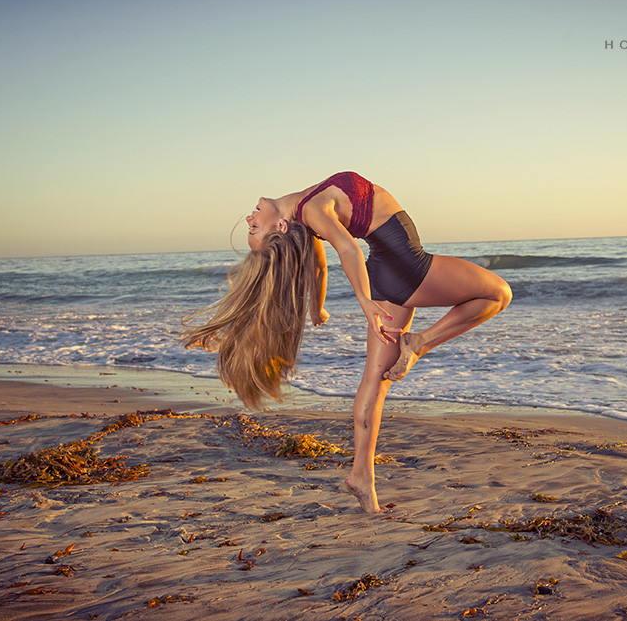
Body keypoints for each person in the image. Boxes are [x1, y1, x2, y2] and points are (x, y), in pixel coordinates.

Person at [183, 171, 511, 513]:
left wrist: (318, 308)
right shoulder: (310, 212)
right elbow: (347, 247)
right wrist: (366, 302)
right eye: (253, 228)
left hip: (386, 270)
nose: (249, 218)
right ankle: (421, 343)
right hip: (407, 265)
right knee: (499, 293)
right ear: (279, 227)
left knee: (376, 380)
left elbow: (320, 267)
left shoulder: (303, 216)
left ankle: (362, 478)